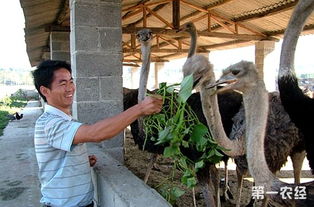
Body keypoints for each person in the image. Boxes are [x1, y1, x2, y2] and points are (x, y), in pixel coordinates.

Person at [32, 60, 163, 207]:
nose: (70, 88)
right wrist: (139, 109)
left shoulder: (65, 120)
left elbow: (58, 156)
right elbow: (95, 133)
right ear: (45, 91)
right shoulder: (50, 123)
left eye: (71, 82)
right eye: (62, 84)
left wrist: (79, 161)